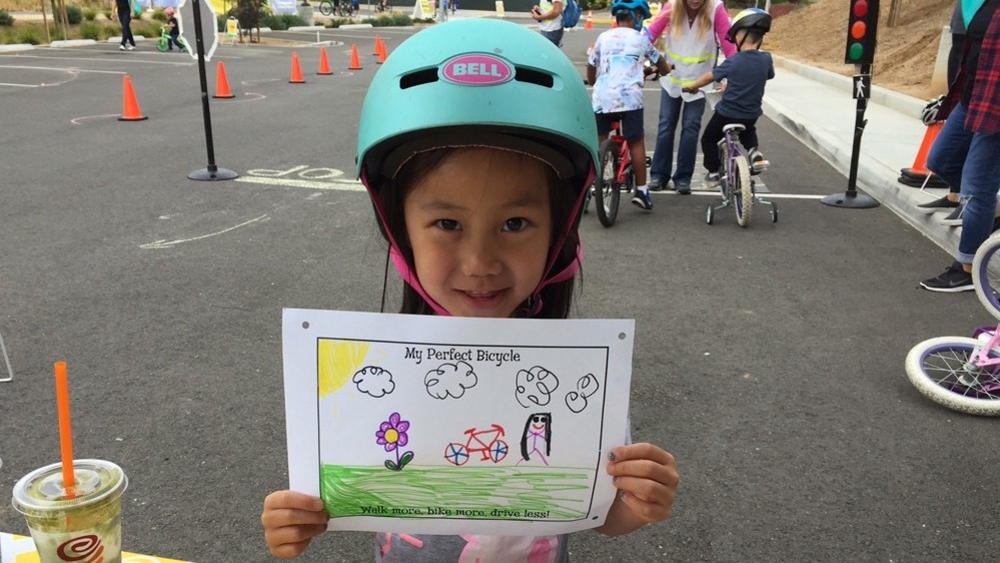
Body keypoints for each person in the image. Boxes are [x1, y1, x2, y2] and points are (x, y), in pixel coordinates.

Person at [260, 19, 679, 561]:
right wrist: (295, 520)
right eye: (447, 224)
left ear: (558, 228)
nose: (480, 263)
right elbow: (329, 497)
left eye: (515, 224)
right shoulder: (374, 375)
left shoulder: (576, 382)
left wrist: (639, 502)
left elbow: (601, 515)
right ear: (400, 229)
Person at [920, 0, 1000, 293]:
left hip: (996, 106)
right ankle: (992, 209)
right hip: (971, 96)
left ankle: (967, 269)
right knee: (940, 160)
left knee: (976, 189)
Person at [587, 0, 672, 211]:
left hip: (603, 98)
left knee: (600, 140)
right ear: (638, 17)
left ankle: (593, 186)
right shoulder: (641, 39)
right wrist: (666, 69)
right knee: (636, 143)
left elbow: (591, 64)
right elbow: (661, 64)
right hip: (629, 100)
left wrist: (594, 82)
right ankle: (642, 191)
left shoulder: (603, 37)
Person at [644, 0, 735, 194]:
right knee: (666, 126)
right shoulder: (672, 6)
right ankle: (659, 175)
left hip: (699, 81)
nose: (695, 1)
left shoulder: (715, 8)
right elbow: (649, 35)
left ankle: (683, 177)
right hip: (673, 80)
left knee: (691, 128)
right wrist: (631, 52)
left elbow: (729, 45)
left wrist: (732, 75)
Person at [682, 8, 773, 185]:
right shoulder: (766, 59)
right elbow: (768, 75)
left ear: (739, 37)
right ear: (761, 37)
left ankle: (713, 172)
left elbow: (710, 76)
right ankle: (753, 151)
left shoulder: (733, 61)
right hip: (751, 113)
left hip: (727, 113)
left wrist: (693, 86)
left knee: (709, 139)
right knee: (748, 130)